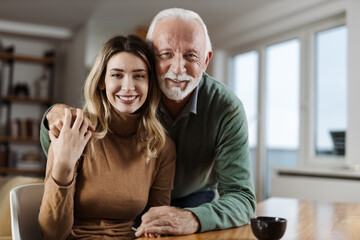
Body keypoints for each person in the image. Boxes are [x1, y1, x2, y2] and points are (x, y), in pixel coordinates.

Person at [40, 7, 256, 237]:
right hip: (128, 202)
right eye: (165, 54)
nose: (177, 68)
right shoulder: (128, 100)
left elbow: (241, 196)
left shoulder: (225, 109)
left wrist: (194, 218)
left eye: (191, 55)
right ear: (151, 57)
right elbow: (76, 144)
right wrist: (54, 118)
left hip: (194, 199)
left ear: (206, 60)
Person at [38, 35, 176, 239]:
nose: (128, 87)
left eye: (139, 76)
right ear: (102, 81)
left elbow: (155, 222)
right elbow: (52, 234)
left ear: (150, 84)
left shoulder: (161, 146)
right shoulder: (75, 130)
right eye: (117, 75)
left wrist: (153, 231)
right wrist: (64, 165)